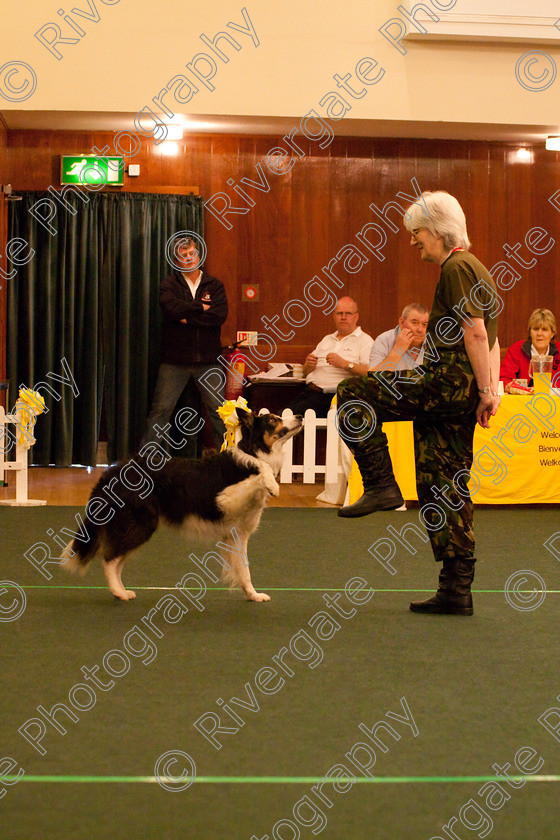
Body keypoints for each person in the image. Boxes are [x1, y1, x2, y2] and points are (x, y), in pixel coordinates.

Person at [336, 191, 501, 616]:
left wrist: (487, 391)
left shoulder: (457, 267)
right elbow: (492, 338)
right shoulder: (478, 268)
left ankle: (380, 484)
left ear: (440, 230)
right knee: (443, 485)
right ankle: (456, 590)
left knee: (354, 393)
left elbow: (477, 333)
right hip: (458, 394)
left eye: (417, 233)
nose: (414, 242)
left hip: (443, 385)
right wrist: (488, 390)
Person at [140, 238, 228, 453]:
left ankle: (229, 458)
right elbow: (172, 310)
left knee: (220, 412)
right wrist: (200, 307)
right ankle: (145, 462)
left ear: (199, 255)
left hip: (209, 361)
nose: (188, 259)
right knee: (160, 411)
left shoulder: (214, 285)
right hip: (175, 361)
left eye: (192, 254)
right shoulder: (169, 284)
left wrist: (188, 316)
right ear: (177, 260)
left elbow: (219, 316)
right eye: (183, 256)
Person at [287, 296, 373, 418]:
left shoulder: (365, 341)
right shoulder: (326, 339)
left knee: (285, 418)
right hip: (310, 392)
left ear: (356, 317)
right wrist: (308, 365)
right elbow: (304, 373)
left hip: (334, 397)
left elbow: (371, 372)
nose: (343, 317)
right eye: (339, 313)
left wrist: (345, 364)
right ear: (334, 316)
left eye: (348, 313)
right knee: (282, 414)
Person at [350, 303, 429, 376]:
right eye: (414, 322)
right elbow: (373, 378)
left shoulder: (433, 344)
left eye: (424, 324)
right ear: (401, 322)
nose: (420, 329)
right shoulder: (384, 340)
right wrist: (398, 349)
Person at [500, 308, 560, 389]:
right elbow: (504, 378)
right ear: (530, 332)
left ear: (552, 333)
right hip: (522, 400)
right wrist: (509, 385)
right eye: (536, 329)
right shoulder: (516, 349)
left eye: (544, 329)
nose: (539, 333)